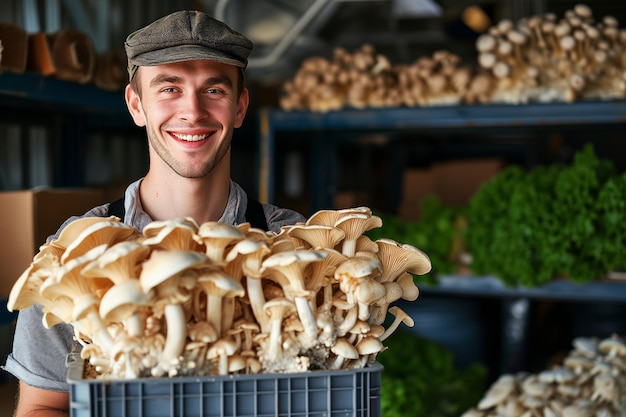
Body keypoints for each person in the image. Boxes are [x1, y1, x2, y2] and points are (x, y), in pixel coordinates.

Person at [3, 10, 306, 416]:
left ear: (239, 107)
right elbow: (43, 406)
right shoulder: (75, 249)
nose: (192, 112)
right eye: (169, 89)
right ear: (136, 105)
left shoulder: (293, 241)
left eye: (214, 90)